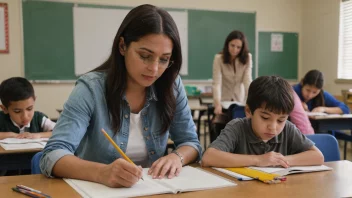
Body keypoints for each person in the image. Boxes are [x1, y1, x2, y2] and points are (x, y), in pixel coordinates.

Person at [40, 4, 201, 188]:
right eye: (145, 55)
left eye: (164, 59)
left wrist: (176, 157)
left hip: (152, 190)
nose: (155, 69)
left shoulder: (171, 85)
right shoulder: (91, 89)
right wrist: (102, 173)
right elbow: (52, 154)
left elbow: (190, 142)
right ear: (123, 46)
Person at [202, 76, 324, 168]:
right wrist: (258, 160)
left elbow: (318, 156)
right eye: (265, 118)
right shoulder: (237, 128)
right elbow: (209, 157)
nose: (273, 127)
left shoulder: (288, 129)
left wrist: (280, 160)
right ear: (249, 111)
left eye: (281, 120)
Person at [211, 30, 252, 142]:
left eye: (238, 47)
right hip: (224, 99)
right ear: (227, 44)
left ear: (242, 48)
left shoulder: (247, 58)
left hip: (240, 99)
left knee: (241, 124)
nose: (235, 49)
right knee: (223, 127)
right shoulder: (218, 58)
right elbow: (217, 83)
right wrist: (217, 103)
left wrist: (251, 100)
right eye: (232, 45)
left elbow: (247, 81)